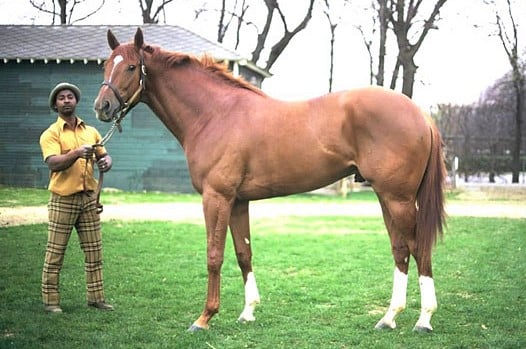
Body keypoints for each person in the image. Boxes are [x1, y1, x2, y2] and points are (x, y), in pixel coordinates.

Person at [39, 82, 114, 313]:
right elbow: (53, 162)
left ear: (76, 101)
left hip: (89, 199)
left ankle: (96, 298)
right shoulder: (50, 134)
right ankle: (51, 302)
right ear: (56, 105)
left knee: (94, 252)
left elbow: (105, 156)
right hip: (63, 200)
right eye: (61, 98)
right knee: (55, 253)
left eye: (70, 96)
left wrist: (105, 162)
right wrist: (76, 153)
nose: (66, 100)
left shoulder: (91, 131)